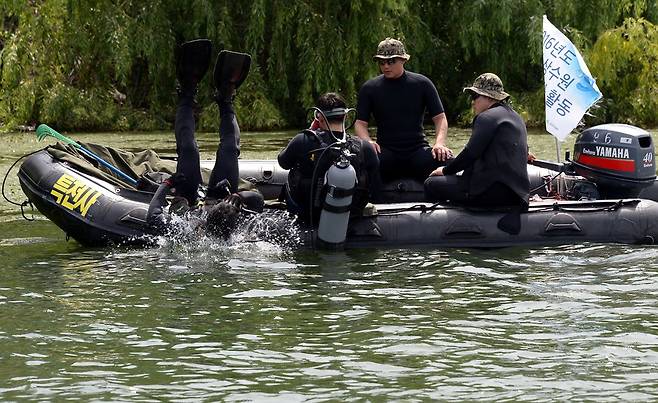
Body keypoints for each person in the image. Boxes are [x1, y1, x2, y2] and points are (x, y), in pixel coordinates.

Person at [147, 39, 263, 239]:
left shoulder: (183, 232)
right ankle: (226, 98)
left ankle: (187, 92)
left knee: (189, 149)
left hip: (186, 199)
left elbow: (153, 214)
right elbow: (258, 201)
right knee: (228, 150)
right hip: (222, 197)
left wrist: (167, 184)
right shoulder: (231, 225)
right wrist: (238, 196)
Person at [424, 73, 530, 212]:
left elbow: (471, 153)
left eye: (475, 97)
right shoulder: (516, 117)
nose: (473, 102)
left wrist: (445, 170)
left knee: (431, 183)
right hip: (517, 194)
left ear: (488, 97)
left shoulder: (486, 118)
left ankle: (444, 226)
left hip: (489, 192)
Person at [355, 37, 452, 182]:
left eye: (391, 61)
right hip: (386, 152)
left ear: (403, 60)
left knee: (450, 161)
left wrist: (439, 143)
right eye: (382, 62)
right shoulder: (370, 88)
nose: (386, 66)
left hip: (417, 150)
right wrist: (368, 142)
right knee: (357, 163)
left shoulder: (422, 84)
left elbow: (440, 118)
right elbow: (360, 123)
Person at [277, 92, 380, 225]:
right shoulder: (364, 147)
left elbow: (283, 162)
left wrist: (309, 131)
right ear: (345, 116)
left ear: (318, 117)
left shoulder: (302, 140)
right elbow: (375, 183)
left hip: (307, 215)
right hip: (350, 217)